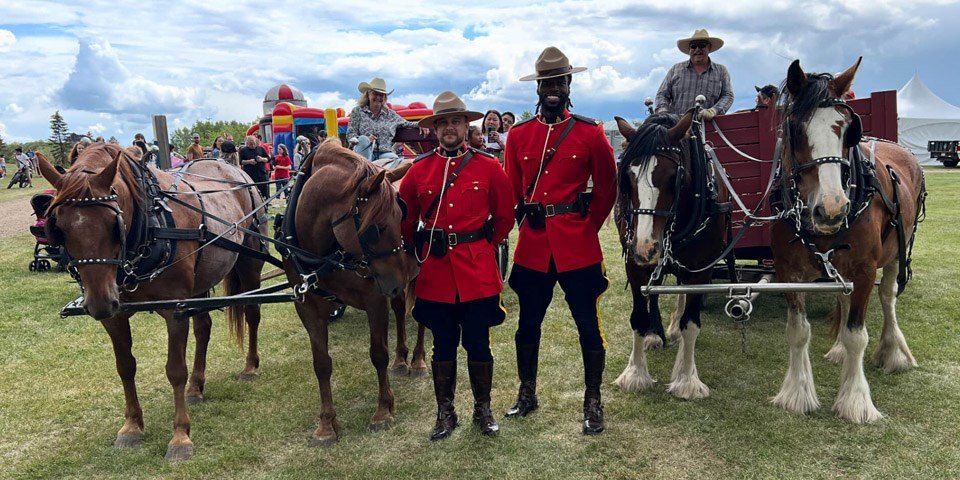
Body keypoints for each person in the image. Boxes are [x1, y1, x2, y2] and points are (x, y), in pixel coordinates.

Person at [503, 46, 617, 435]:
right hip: (534, 245)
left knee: (588, 323)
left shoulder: (590, 132)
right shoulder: (518, 136)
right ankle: (527, 393)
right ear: (538, 88)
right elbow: (512, 189)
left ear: (569, 84)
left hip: (577, 243)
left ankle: (593, 400)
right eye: (546, 82)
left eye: (559, 81)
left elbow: (607, 188)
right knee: (528, 325)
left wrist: (589, 227)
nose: (553, 88)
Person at [398, 91, 514, 441]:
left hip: (477, 273)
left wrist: (481, 246)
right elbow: (406, 221)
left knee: (479, 343)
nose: (449, 128)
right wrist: (420, 246)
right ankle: (445, 412)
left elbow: (506, 216)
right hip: (436, 274)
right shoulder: (419, 171)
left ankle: (483, 408)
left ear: (467, 125)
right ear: (434, 129)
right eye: (442, 122)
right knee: (443, 345)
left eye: (456, 121)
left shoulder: (489, 166)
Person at [346, 77, 429, 168]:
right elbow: (350, 134)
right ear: (368, 95)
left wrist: (422, 124)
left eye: (381, 95)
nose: (378, 97)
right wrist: (366, 140)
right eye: (375, 94)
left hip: (385, 153)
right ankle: (365, 174)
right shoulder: (357, 111)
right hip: (363, 153)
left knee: (397, 164)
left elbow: (407, 123)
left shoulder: (390, 115)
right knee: (363, 140)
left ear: (384, 98)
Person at [655, 29, 734, 120]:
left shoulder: (721, 71)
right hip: (677, 126)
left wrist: (713, 111)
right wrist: (663, 111)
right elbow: (662, 94)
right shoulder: (676, 69)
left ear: (709, 48)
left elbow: (728, 96)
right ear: (689, 49)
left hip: (709, 125)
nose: (697, 49)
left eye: (701, 46)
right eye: (693, 46)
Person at [239, 135, 270, 203]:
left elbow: (268, 159)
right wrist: (249, 161)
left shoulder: (261, 149)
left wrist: (261, 159)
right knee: (251, 191)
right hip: (249, 174)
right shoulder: (243, 150)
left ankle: (265, 203)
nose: (252, 146)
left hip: (261, 173)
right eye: (250, 144)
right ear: (247, 143)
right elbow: (240, 161)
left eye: (253, 144)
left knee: (264, 191)